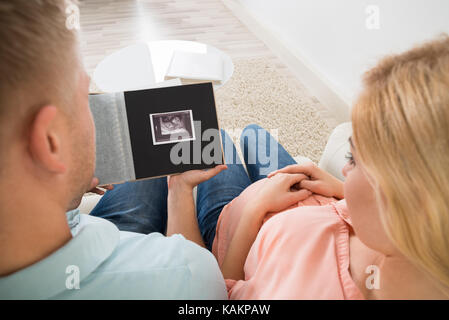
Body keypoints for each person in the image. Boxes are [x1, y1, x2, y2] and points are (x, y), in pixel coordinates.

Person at [0, 0, 228, 299]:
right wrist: (180, 193)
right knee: (223, 141)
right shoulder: (186, 274)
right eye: (86, 97)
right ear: (50, 141)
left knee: (150, 171)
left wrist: (60, 190)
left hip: (68, 229)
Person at [205, 35, 449, 299]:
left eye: (353, 159)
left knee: (215, 138)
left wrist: (255, 209)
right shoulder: (398, 231)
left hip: (233, 225)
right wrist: (342, 190)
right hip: (299, 192)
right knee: (253, 133)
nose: (344, 170)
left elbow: (224, 294)